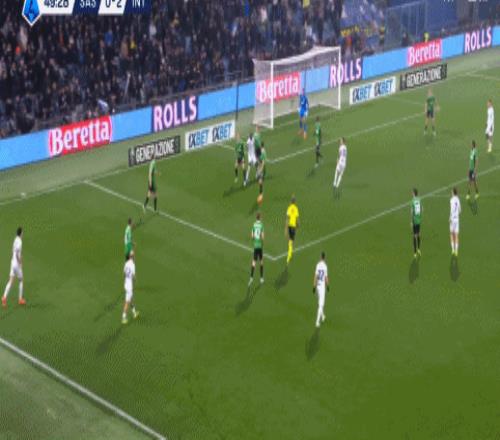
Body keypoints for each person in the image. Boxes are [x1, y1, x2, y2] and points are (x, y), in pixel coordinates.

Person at [2, 227, 26, 308]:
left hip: (12, 263)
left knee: (11, 280)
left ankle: (4, 297)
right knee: (21, 280)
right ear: (21, 233)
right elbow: (17, 253)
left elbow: (13, 251)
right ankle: (20, 299)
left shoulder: (15, 239)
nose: (23, 234)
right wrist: (20, 262)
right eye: (22, 232)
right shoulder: (20, 242)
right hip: (16, 264)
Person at [313, 252, 329, 328]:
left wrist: (314, 286)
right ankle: (317, 322)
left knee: (320, 302)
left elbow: (315, 276)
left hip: (318, 286)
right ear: (324, 257)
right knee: (321, 305)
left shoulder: (318, 265)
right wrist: (328, 286)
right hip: (322, 287)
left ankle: (322, 316)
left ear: (320, 257)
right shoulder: (325, 266)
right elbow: (326, 277)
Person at [122, 251, 139, 324]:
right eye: (133, 255)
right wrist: (135, 279)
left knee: (131, 299)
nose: (134, 256)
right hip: (129, 286)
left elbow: (124, 273)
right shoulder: (132, 265)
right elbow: (133, 275)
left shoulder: (126, 263)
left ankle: (134, 312)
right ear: (131, 257)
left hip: (126, 284)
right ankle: (123, 317)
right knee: (127, 302)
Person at [249, 213, 264, 285]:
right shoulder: (261, 225)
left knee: (254, 262)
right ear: (260, 218)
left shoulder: (254, 225)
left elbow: (251, 236)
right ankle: (261, 278)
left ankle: (251, 277)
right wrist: (260, 238)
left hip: (255, 246)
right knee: (261, 261)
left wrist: (255, 239)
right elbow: (263, 237)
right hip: (260, 246)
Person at [286, 195, 300, 265]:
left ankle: (290, 253)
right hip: (293, 226)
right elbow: (297, 218)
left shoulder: (289, 208)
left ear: (291, 201)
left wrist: (286, 227)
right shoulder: (296, 208)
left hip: (289, 226)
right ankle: (289, 254)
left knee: (290, 240)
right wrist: (298, 224)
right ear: (295, 201)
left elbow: (287, 217)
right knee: (292, 240)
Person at [449, 187, 461, 257]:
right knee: (456, 235)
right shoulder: (458, 200)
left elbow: (451, 210)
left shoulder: (452, 200)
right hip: (457, 219)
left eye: (452, 192)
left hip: (452, 219)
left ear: (453, 192)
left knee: (451, 234)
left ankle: (453, 250)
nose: (451, 193)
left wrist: (450, 218)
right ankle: (456, 251)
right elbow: (460, 210)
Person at [410, 189, 422, 258]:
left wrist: (411, 221)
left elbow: (412, 212)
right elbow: (422, 209)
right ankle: (419, 249)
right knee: (419, 233)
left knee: (414, 235)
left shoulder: (412, 201)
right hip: (419, 220)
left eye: (412, 193)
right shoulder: (419, 200)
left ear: (414, 193)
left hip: (414, 220)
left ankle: (415, 253)